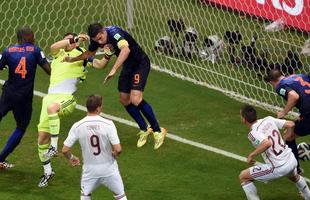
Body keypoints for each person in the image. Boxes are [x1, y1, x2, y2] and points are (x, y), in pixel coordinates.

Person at [64, 23, 167, 150]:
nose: (100, 42)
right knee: (124, 99)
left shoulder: (114, 33)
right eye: (96, 40)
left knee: (136, 99)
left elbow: (126, 50)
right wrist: (72, 59)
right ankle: (144, 129)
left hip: (140, 63)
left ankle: (158, 130)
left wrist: (113, 69)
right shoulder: (97, 39)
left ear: (103, 31)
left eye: (101, 38)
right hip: (128, 66)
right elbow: (89, 54)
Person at [37, 32, 91, 187]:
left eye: (71, 40)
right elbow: (53, 46)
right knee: (41, 139)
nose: (67, 43)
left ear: (77, 43)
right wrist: (71, 39)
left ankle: (54, 147)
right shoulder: (57, 53)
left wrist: (107, 55)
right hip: (49, 97)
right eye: (66, 40)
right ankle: (48, 172)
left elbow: (98, 63)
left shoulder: (81, 54)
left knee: (52, 108)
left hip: (67, 98)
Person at [0, 27, 50, 169]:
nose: (34, 38)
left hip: (8, 94)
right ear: (27, 37)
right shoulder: (35, 50)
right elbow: (48, 71)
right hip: (24, 98)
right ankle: (1, 158)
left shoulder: (8, 51)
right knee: (21, 128)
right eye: (33, 36)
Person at [62, 95, 127, 200]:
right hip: (109, 169)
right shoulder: (108, 124)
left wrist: (71, 158)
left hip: (90, 171)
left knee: (85, 196)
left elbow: (65, 150)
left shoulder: (77, 126)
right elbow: (118, 149)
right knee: (120, 196)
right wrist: (114, 155)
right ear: (98, 108)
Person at [239, 105, 310, 200]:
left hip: (278, 167)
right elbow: (291, 124)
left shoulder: (253, 134)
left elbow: (267, 143)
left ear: (244, 119)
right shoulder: (268, 119)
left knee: (244, 177)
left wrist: (251, 155)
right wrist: (287, 137)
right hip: (291, 160)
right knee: (294, 176)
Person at [264, 69, 310, 174]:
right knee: (291, 129)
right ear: (283, 74)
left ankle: (295, 169)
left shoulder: (281, 86)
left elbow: (294, 96)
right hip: (306, 113)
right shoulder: (299, 76)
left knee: (288, 136)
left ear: (272, 82)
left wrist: (284, 112)